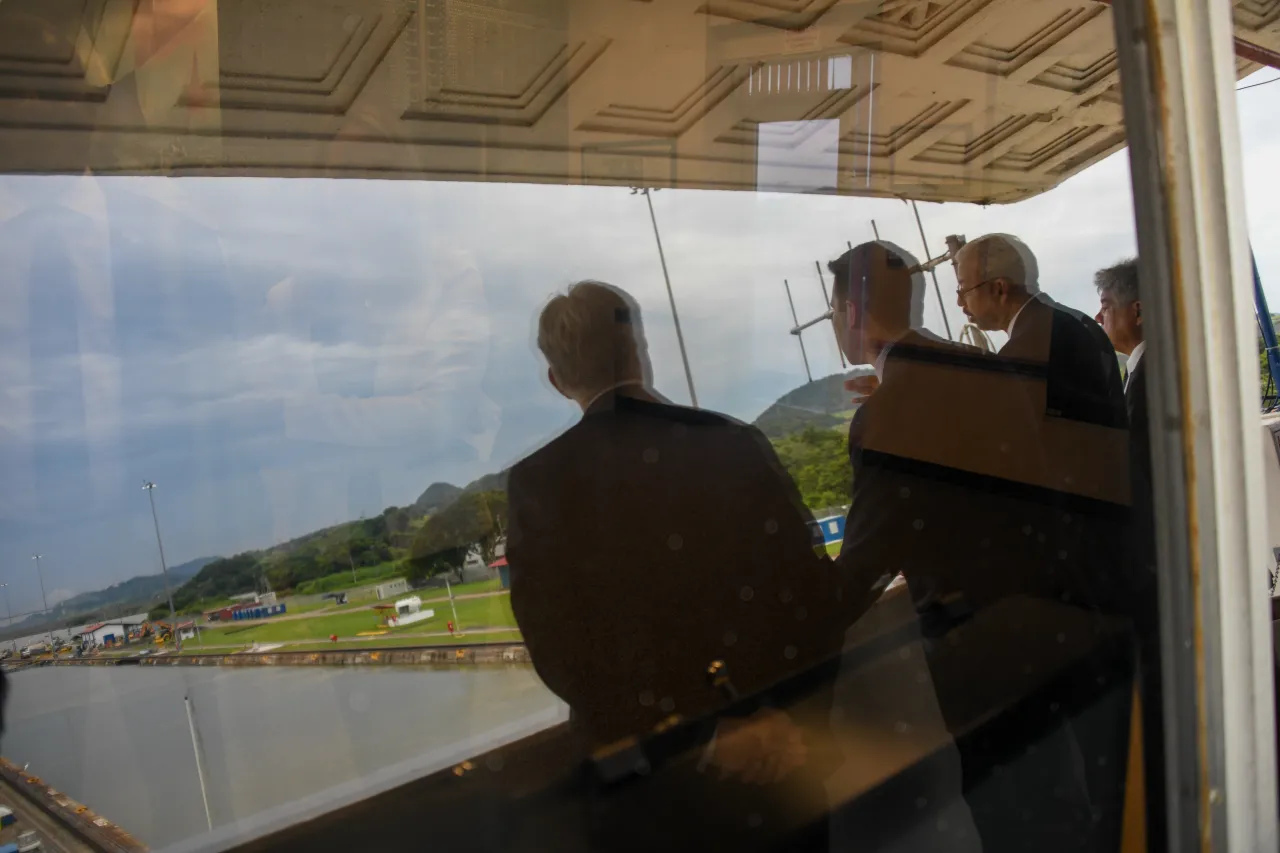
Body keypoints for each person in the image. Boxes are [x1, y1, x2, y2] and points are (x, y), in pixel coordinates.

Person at [506, 281, 847, 849]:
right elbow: (812, 596)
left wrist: (702, 738)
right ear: (639, 346)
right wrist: (778, 721)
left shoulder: (539, 482)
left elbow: (562, 650)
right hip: (787, 770)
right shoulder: (732, 442)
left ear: (556, 379)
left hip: (653, 796)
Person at [826, 241, 1130, 853]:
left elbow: (860, 569)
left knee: (1019, 817)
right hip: (1053, 614)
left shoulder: (887, 415)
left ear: (852, 315)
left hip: (979, 650)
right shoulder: (987, 370)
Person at [955, 233, 1126, 429]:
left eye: (963, 288)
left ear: (999, 289)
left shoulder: (1026, 353)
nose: (960, 301)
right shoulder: (1072, 323)